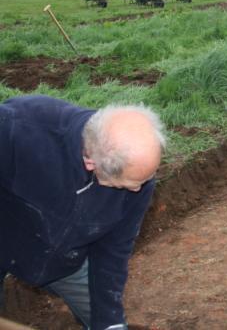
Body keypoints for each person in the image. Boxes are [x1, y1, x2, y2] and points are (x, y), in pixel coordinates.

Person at [0, 95, 166, 330]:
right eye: (128, 183)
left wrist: (110, 323)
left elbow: (113, 251)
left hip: (67, 260)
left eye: (144, 180)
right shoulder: (18, 128)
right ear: (91, 164)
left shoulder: (139, 180)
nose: (139, 189)